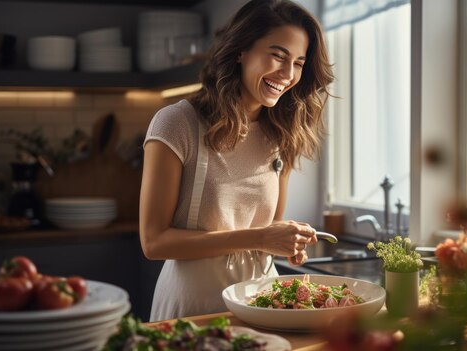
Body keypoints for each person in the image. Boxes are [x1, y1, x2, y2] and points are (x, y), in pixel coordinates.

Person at [139, 0, 334, 321]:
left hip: (262, 303)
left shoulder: (281, 134)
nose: (288, 74)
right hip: (193, 307)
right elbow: (154, 241)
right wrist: (261, 238)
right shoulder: (177, 123)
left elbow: (265, 228)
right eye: (278, 55)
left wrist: (284, 241)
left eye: (299, 62)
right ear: (241, 49)